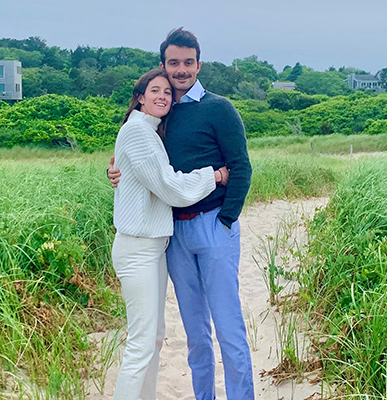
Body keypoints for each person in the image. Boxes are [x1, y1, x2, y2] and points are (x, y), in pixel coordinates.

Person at [109, 28, 254, 400]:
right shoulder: (162, 113)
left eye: (188, 63)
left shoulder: (219, 108)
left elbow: (241, 166)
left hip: (213, 226)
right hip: (173, 235)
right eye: (174, 63)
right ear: (163, 65)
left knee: (228, 328)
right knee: (195, 334)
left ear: (198, 64)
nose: (181, 70)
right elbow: (141, 160)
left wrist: (227, 220)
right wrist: (116, 171)